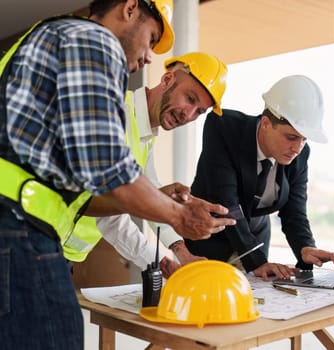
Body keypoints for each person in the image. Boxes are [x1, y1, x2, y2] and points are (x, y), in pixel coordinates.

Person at [0, 1, 234, 348]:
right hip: (18, 228)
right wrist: (179, 216)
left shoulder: (50, 37)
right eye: (151, 38)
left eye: (199, 111)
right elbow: (108, 173)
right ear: (129, 9)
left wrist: (168, 224)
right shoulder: (92, 40)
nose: (148, 57)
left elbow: (89, 194)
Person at [67, 52, 227, 276]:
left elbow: (152, 195)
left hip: (63, 252)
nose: (188, 115)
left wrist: (180, 253)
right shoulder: (117, 115)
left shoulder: (145, 137)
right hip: (36, 240)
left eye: (199, 111)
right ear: (167, 80)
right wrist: (162, 258)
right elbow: (112, 215)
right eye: (190, 98)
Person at [187, 75, 334, 281]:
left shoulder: (300, 153)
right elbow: (227, 204)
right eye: (291, 137)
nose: (297, 148)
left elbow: (294, 211)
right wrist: (256, 260)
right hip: (210, 240)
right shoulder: (224, 128)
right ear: (265, 123)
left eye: (303, 139)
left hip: (256, 237)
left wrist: (305, 248)